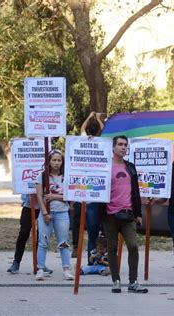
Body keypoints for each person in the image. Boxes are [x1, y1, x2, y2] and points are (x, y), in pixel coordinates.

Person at [101, 135, 148, 294]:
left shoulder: (130, 167)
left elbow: (136, 191)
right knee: (112, 248)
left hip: (128, 215)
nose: (123, 147)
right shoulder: (105, 166)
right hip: (110, 215)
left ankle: (133, 281)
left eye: (125, 145)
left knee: (133, 246)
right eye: (120, 144)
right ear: (113, 147)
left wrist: (138, 212)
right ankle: (116, 280)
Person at [35, 150, 74, 281]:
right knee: (43, 242)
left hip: (62, 213)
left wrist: (54, 196)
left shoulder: (66, 177)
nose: (56, 163)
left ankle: (66, 269)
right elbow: (40, 196)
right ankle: (40, 268)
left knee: (64, 242)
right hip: (46, 213)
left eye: (59, 160)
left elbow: (69, 196)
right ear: (49, 161)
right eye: (54, 160)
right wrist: (45, 213)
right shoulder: (42, 176)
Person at [71, 111, 105, 259]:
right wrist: (98, 118)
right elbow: (104, 130)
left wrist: (90, 116)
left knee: (78, 223)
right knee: (93, 229)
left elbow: (81, 129)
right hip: (96, 194)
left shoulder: (82, 141)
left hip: (80, 192)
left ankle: (77, 248)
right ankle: (91, 254)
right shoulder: (103, 143)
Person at [7, 194, 52, 275]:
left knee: (41, 235)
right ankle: (16, 262)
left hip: (44, 207)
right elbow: (23, 186)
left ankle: (40, 264)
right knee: (23, 233)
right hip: (29, 205)